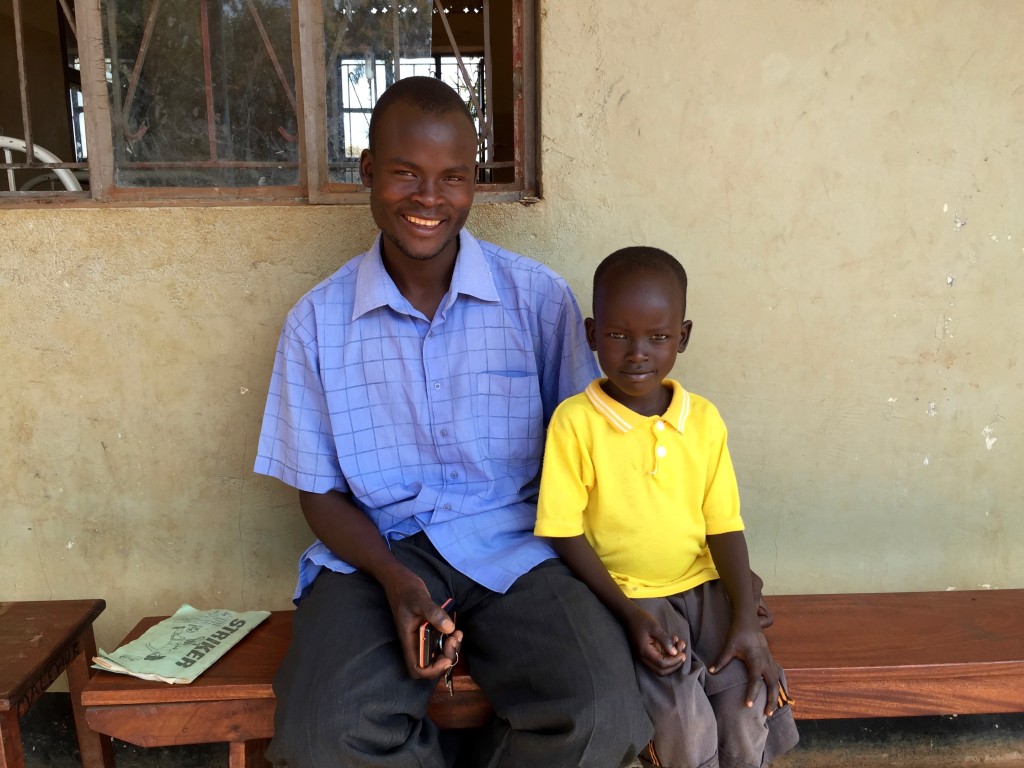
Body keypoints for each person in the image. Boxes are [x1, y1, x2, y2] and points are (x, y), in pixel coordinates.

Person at [253, 76, 653, 768]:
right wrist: (394, 578)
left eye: (453, 178)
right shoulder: (315, 323)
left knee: (605, 712)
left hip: (521, 546)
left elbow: (592, 459)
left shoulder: (537, 300)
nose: (429, 199)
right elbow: (317, 491)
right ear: (368, 173)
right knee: (322, 734)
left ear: (475, 183)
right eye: (406, 174)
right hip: (376, 553)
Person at [534, 247, 799, 768]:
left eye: (658, 337)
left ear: (683, 336)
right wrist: (628, 615)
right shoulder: (575, 422)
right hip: (628, 600)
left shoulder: (702, 420)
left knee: (745, 702)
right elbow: (563, 532)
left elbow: (724, 526)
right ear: (591, 334)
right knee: (681, 717)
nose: (638, 353)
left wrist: (744, 616)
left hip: (704, 592)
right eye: (617, 335)